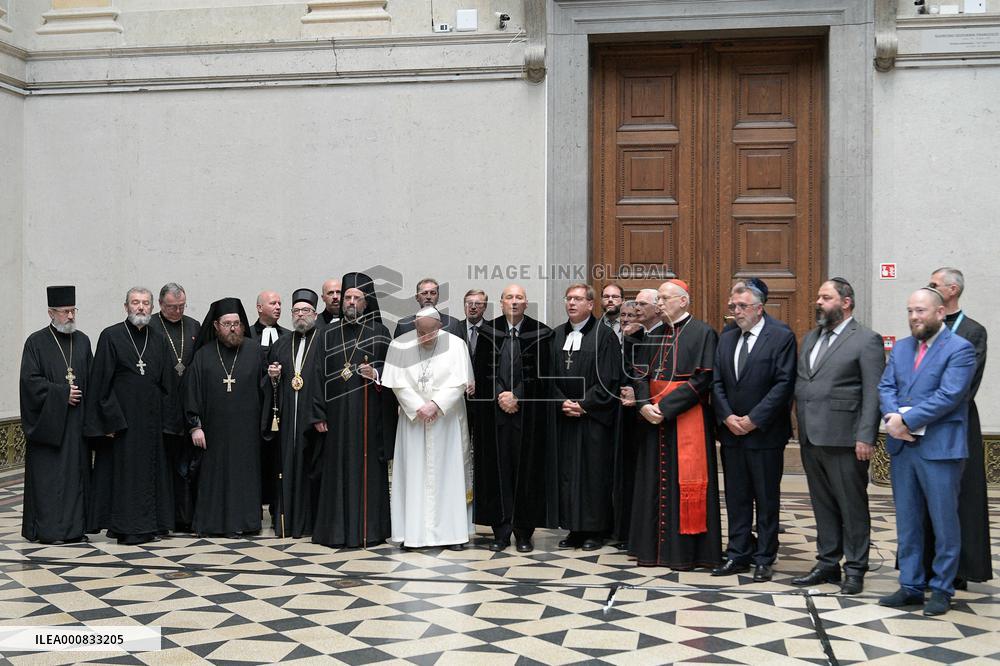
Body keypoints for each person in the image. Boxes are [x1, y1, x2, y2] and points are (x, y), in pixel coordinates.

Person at [878, 287, 976, 617]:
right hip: (903, 449)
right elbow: (885, 386)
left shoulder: (960, 349)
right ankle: (910, 585)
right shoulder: (903, 348)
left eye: (920, 311)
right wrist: (892, 419)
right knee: (908, 521)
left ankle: (942, 588)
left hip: (939, 449)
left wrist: (905, 419)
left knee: (944, 523)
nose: (914, 317)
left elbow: (950, 395)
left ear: (939, 313)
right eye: (909, 311)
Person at [791, 278, 884, 595]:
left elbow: (873, 392)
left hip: (846, 438)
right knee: (822, 504)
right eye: (818, 296)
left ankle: (855, 568)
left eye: (825, 297)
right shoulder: (812, 337)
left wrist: (866, 436)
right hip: (811, 435)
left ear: (846, 302)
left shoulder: (866, 340)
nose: (818, 302)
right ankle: (827, 563)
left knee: (852, 506)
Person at [628, 279, 721, 569]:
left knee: (684, 483)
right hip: (652, 421)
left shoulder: (703, 332)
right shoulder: (655, 333)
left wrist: (664, 407)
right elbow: (639, 374)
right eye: (658, 300)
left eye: (664, 299)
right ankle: (651, 550)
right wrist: (644, 406)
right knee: (652, 484)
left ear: (683, 301)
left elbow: (703, 378)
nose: (659, 304)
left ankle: (687, 554)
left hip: (685, 419)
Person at [711, 282, 796, 581]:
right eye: (733, 306)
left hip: (765, 435)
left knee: (765, 498)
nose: (735, 312)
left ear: (759, 308)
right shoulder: (727, 336)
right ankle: (738, 553)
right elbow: (717, 381)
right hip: (732, 432)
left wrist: (753, 419)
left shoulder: (781, 336)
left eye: (742, 306)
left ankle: (764, 556)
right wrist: (728, 416)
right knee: (736, 497)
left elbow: (784, 385)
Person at [85, 287, 173, 544]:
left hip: (150, 422)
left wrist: (165, 420)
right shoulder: (111, 336)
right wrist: (109, 421)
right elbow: (101, 382)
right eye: (135, 303)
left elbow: (166, 383)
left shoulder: (158, 339)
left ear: (152, 307)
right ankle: (125, 528)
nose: (141, 308)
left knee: (150, 474)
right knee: (125, 477)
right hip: (122, 424)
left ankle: (150, 526)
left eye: (146, 303)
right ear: (126, 307)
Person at [311, 273, 393, 548]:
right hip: (335, 419)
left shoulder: (380, 333)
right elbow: (316, 376)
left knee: (366, 471)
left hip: (368, 420)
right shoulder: (326, 334)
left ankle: (369, 530)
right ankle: (335, 532)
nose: (350, 302)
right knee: (335, 472)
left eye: (357, 298)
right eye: (347, 297)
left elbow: (393, 373)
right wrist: (318, 413)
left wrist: (377, 373)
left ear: (366, 302)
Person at [383, 307, 474, 550]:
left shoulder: (456, 345)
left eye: (429, 332)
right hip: (413, 421)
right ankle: (412, 534)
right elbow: (397, 384)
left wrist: (436, 405)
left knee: (448, 475)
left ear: (439, 327)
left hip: (445, 420)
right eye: (420, 332)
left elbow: (459, 382)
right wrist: (418, 407)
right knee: (413, 475)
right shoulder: (400, 346)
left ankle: (452, 536)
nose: (424, 337)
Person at [470, 284, 552, 553]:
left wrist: (518, 396)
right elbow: (480, 374)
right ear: (501, 302)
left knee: (525, 471)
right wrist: (500, 395)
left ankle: (524, 532)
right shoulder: (487, 331)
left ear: (526, 303)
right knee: (497, 470)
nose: (514, 302)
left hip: (527, 417)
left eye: (519, 298)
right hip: (494, 417)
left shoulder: (540, 333)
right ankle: (501, 531)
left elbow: (544, 377)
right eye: (509, 297)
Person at [926, 267, 991, 588]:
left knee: (959, 498)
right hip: (923, 426)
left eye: (935, 284)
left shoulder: (973, 331)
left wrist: (927, 409)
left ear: (952, 290)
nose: (930, 287)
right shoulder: (926, 326)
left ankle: (960, 570)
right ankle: (924, 566)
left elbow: (964, 385)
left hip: (957, 423)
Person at [549, 283, 621, 551]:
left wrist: (584, 404)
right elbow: (547, 378)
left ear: (591, 304)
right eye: (568, 298)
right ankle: (574, 528)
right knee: (567, 474)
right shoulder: (556, 335)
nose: (572, 303)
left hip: (592, 419)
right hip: (564, 418)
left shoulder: (604, 336)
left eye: (578, 299)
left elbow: (610, 378)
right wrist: (561, 402)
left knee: (592, 473)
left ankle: (595, 529)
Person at [19, 286, 93, 544]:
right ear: (51, 312)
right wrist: (62, 394)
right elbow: (29, 382)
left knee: (76, 477)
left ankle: (75, 529)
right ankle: (50, 531)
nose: (70, 316)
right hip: (49, 427)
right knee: (51, 480)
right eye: (65, 312)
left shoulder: (82, 341)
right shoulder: (35, 342)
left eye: (73, 311)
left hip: (76, 425)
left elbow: (92, 381)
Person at [184, 298, 263, 537]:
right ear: (216, 326)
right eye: (227, 323)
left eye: (236, 323)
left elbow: (266, 391)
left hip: (247, 433)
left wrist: (274, 379)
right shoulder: (204, 355)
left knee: (244, 477)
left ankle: (245, 523)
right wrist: (195, 426)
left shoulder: (255, 351)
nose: (233, 328)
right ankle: (212, 523)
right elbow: (191, 392)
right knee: (214, 477)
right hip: (213, 433)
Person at [261, 289, 325, 537]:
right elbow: (271, 383)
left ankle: (311, 523)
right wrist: (273, 378)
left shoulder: (324, 339)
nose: (300, 315)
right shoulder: (281, 343)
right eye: (296, 311)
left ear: (315, 313)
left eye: (305, 311)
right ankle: (288, 523)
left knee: (313, 468)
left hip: (314, 418)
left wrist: (321, 414)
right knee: (287, 468)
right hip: (289, 419)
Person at [612, 287, 661, 549]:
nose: (631, 316)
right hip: (624, 412)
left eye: (639, 308)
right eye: (626, 313)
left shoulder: (652, 336)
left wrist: (637, 394)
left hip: (647, 412)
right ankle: (624, 530)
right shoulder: (625, 337)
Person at [151, 282, 201, 532]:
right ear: (161, 305)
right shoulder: (150, 326)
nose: (178, 312)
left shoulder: (193, 326)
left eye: (181, 306)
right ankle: (163, 518)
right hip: (160, 409)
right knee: (163, 467)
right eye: (172, 307)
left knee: (187, 468)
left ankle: (185, 517)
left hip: (188, 408)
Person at [392, 278, 465, 339]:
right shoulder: (404, 325)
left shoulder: (453, 324)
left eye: (433, 293)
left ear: (438, 297)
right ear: (417, 297)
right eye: (424, 293)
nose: (429, 297)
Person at [461, 289, 488, 360]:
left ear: (485, 307)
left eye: (478, 303)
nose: (473, 307)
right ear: (464, 306)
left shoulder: (493, 329)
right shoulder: (455, 328)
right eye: (469, 303)